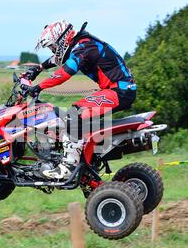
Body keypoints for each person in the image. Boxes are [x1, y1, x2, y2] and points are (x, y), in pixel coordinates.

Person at [23, 20, 137, 179]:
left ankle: (68, 166)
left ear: (62, 40)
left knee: (73, 115)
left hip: (119, 91)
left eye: (53, 46)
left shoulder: (84, 47)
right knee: (80, 119)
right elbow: (59, 59)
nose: (53, 50)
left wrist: (38, 87)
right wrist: (39, 68)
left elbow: (65, 72)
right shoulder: (81, 45)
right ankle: (88, 161)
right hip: (118, 90)